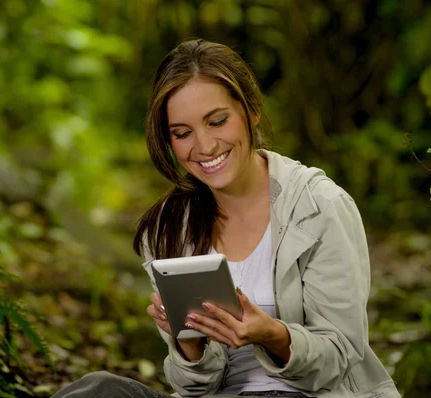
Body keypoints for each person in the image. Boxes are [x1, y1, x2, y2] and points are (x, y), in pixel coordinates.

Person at [52, 39, 400, 398]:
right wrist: (188, 342)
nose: (204, 146)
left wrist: (273, 334)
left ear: (251, 111)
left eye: (216, 121)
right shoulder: (168, 228)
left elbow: (340, 356)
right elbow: (193, 385)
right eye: (182, 133)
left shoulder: (320, 206)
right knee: (98, 390)